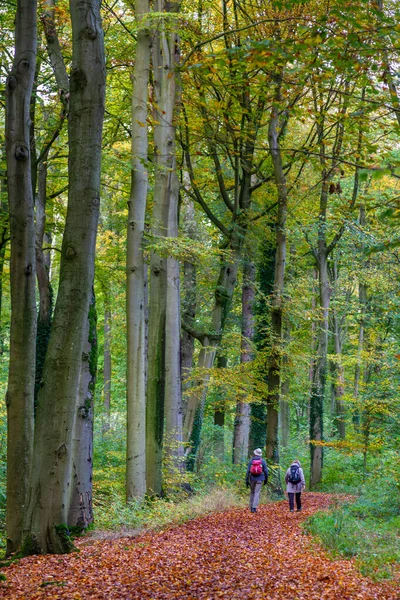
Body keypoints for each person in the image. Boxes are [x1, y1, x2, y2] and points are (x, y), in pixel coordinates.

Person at [245, 448, 268, 513]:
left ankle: (251, 507)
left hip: (252, 479)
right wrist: (266, 479)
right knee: (257, 493)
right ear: (260, 454)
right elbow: (266, 471)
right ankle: (254, 508)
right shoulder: (262, 461)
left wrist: (246, 480)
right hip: (260, 479)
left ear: (255, 453)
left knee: (252, 492)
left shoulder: (251, 461)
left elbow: (248, 471)